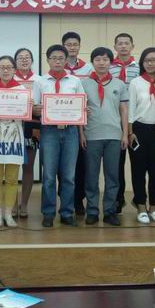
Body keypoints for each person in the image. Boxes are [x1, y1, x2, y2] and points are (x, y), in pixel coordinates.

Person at [32, 45, 85, 228]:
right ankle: (48, 213)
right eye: (53, 58)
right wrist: (38, 109)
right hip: (49, 131)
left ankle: (67, 213)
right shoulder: (40, 82)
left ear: (66, 60)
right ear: (48, 60)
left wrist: (83, 115)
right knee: (48, 176)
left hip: (70, 131)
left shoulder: (75, 81)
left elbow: (82, 107)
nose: (57, 61)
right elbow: (34, 108)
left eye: (61, 58)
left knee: (69, 176)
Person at [81, 47, 129, 226]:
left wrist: (125, 133)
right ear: (92, 62)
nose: (101, 63)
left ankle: (109, 211)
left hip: (114, 136)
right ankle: (92, 211)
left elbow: (124, 110)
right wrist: (81, 133)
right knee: (91, 176)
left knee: (112, 176)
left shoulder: (119, 84)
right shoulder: (83, 84)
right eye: (98, 59)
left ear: (111, 62)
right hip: (91, 135)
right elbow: (79, 111)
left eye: (105, 59)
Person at [128, 47, 155, 224]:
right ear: (142, 63)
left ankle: (153, 207)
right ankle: (140, 206)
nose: (150, 63)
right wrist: (130, 132)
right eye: (146, 60)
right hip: (138, 130)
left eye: (153, 60)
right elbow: (131, 108)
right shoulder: (136, 82)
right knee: (138, 170)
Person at [0, 56, 26, 228]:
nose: (5, 70)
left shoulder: (21, 89)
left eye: (9, 67)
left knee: (12, 178)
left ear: (14, 70)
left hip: (15, 136)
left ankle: (8, 214)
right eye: (2, 67)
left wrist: (28, 105)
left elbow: (25, 113)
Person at [61, 31, 92, 216]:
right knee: (62, 167)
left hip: (83, 123)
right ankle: (65, 199)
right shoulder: (57, 66)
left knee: (80, 165)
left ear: (79, 47)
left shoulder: (88, 69)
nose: (72, 47)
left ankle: (79, 200)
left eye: (75, 44)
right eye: (68, 44)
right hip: (60, 122)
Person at [109, 33, 140, 214]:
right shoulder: (108, 67)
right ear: (115, 47)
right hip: (116, 120)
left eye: (126, 43)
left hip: (136, 121)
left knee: (138, 163)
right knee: (117, 164)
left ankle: (139, 200)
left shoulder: (140, 68)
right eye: (119, 43)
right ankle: (118, 200)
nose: (123, 46)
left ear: (132, 46)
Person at [13, 47, 40, 218]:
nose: (24, 60)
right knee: (12, 166)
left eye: (27, 57)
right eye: (20, 57)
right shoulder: (9, 78)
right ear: (15, 61)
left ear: (32, 60)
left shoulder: (40, 80)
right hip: (12, 125)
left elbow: (43, 103)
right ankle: (13, 204)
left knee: (28, 165)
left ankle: (24, 204)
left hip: (32, 125)